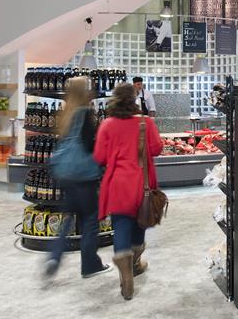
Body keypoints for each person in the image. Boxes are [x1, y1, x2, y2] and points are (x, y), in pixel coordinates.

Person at [94, 83, 163, 300]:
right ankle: (135, 263)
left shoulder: (107, 124)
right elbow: (157, 149)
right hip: (142, 185)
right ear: (134, 100)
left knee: (121, 224)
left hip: (117, 184)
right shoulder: (146, 123)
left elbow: (99, 157)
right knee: (141, 221)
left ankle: (125, 270)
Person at [45, 77, 110, 280]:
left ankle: (54, 256)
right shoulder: (85, 113)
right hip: (83, 174)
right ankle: (90, 264)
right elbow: (91, 146)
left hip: (64, 173)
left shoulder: (66, 114)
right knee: (90, 219)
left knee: (68, 218)